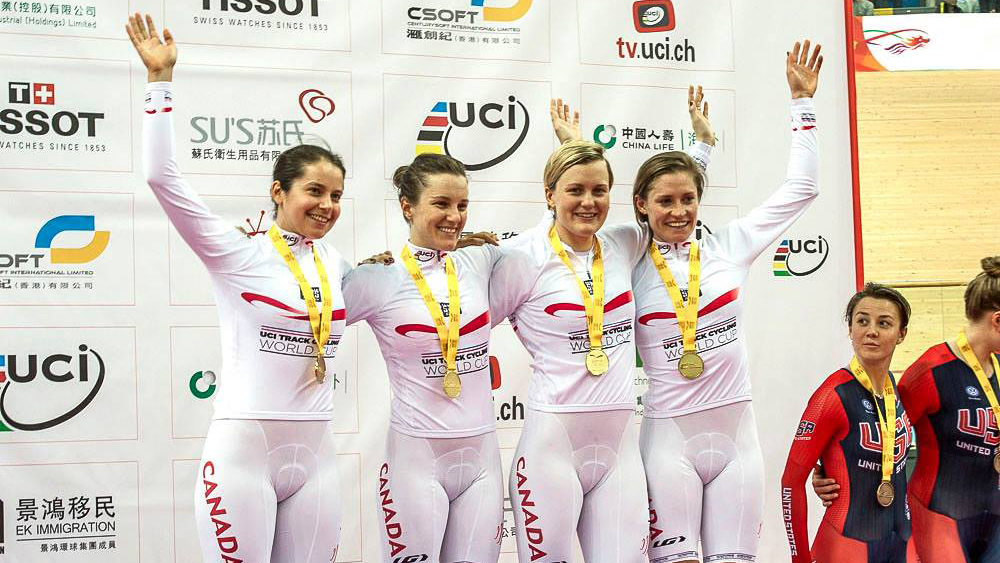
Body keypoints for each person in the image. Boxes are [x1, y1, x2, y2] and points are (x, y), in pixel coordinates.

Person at [128, 13, 349, 563]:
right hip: (243, 453)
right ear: (278, 191)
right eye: (314, 191)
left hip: (317, 454)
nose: (327, 206)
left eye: (337, 195)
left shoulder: (338, 265)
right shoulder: (237, 252)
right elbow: (162, 178)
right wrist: (159, 82)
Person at [487, 92, 714, 559]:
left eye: (599, 190)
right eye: (575, 190)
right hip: (552, 448)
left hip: (619, 453)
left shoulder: (625, 242)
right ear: (548, 195)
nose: (589, 202)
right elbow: (467, 325)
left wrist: (702, 148)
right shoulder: (521, 258)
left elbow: (673, 204)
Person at [624, 40, 820, 563]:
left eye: (689, 199)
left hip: (738, 438)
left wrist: (802, 103)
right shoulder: (627, 256)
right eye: (665, 201)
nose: (679, 210)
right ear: (641, 205)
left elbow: (802, 188)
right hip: (670, 440)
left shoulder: (730, 245)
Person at [343, 154, 503, 563]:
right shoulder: (378, 278)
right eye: (442, 204)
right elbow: (304, 309)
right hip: (415, 463)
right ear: (407, 207)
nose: (455, 216)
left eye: (462, 206)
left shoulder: (481, 261)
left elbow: (560, 241)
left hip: (483, 462)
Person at [813, 257, 1000, 563]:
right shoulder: (930, 371)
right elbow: (884, 433)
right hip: (941, 515)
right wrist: (829, 473)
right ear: (996, 320)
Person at [782, 283, 916, 563]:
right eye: (862, 321)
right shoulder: (831, 396)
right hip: (846, 544)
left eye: (884, 323)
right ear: (850, 329)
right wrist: (800, 559)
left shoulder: (895, 389)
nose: (871, 331)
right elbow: (790, 484)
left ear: (901, 334)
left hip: (900, 541)